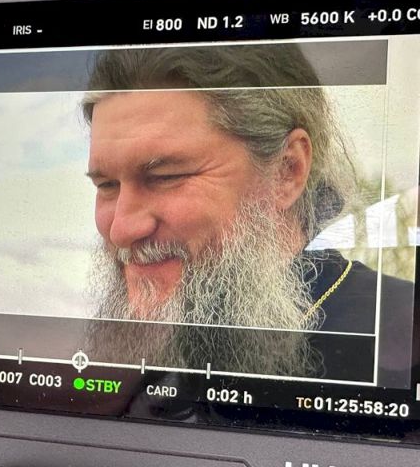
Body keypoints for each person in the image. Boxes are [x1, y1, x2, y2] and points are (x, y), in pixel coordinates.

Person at [80, 45, 413, 378]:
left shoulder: (404, 335)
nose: (121, 230)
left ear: (287, 171)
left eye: (165, 177)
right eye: (106, 185)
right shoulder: (147, 354)